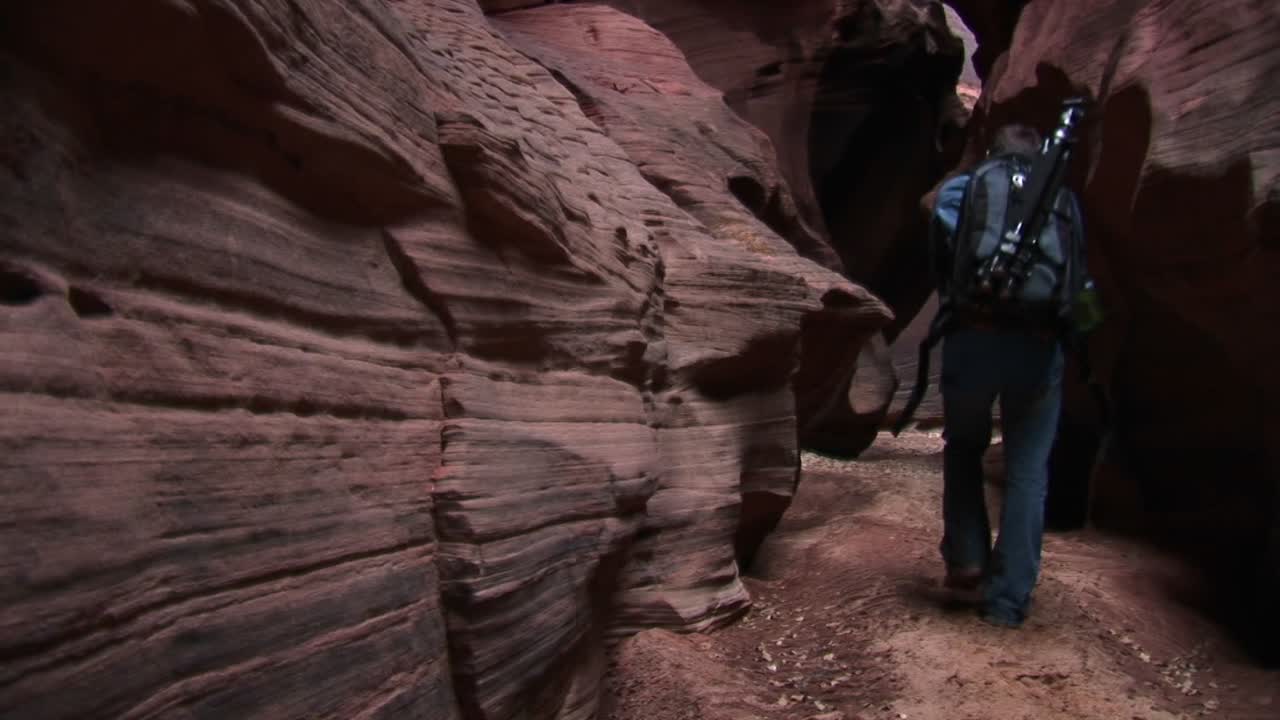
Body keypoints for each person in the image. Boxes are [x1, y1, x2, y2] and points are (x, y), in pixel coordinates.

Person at [929, 123, 1081, 628]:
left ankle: (968, 559)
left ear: (991, 154)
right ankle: (1008, 600)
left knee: (964, 445)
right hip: (1039, 349)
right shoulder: (1061, 199)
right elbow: (1079, 281)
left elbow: (945, 261)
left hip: (972, 337)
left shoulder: (963, 190)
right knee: (1028, 472)